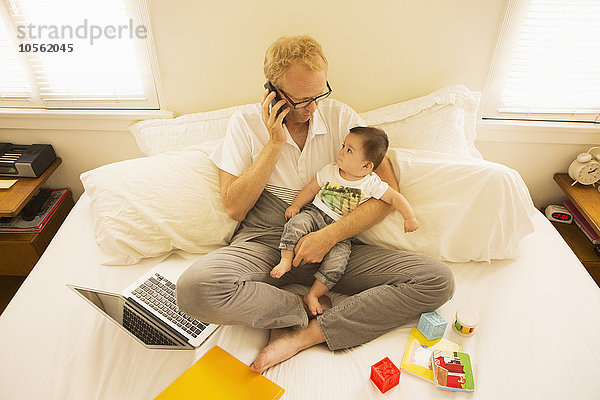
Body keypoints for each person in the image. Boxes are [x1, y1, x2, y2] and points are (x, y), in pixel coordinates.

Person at [176, 35, 455, 374]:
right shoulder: (245, 125)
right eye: (303, 99)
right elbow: (235, 208)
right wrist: (274, 143)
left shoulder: (343, 119)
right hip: (265, 241)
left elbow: (387, 193)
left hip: (336, 244)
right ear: (273, 92)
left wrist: (331, 235)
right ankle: (295, 306)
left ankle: (307, 335)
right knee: (194, 290)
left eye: (320, 93)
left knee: (437, 280)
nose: (314, 107)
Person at [271, 126, 420, 316]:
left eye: (349, 150)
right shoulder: (330, 171)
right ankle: (285, 259)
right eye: (343, 145)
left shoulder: (371, 183)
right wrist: (296, 205)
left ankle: (314, 295)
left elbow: (394, 198)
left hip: (340, 233)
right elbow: (310, 189)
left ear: (366, 166)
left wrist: (409, 217)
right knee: (297, 223)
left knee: (338, 262)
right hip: (315, 213)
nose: (341, 151)